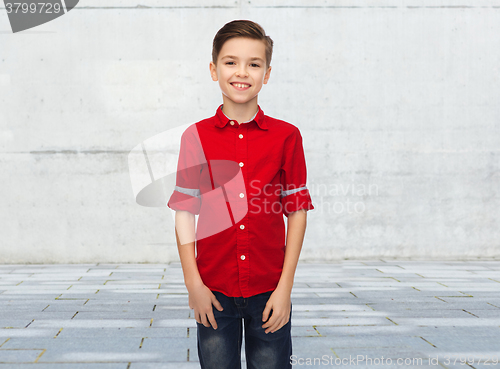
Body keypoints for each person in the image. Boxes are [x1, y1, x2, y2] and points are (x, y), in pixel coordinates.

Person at [167, 19, 314, 369]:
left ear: (267, 72)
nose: (242, 72)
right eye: (230, 62)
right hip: (213, 290)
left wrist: (285, 289)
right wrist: (194, 285)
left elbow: (297, 211)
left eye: (254, 63)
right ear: (214, 70)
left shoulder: (286, 137)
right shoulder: (196, 137)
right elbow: (185, 212)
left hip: (268, 289)